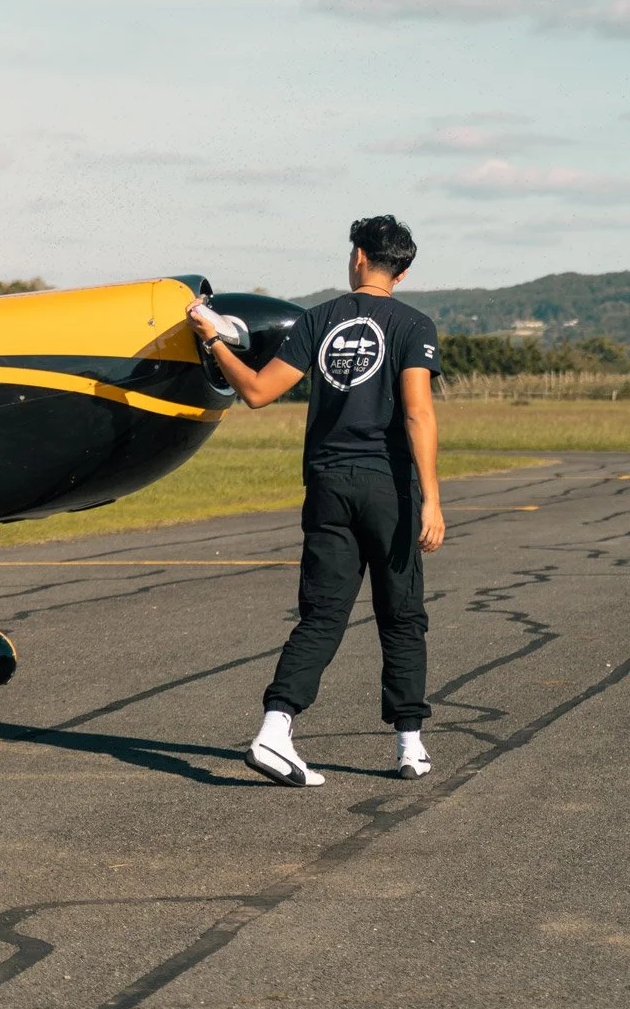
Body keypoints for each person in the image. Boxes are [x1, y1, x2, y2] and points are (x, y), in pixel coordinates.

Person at [188, 214, 445, 788]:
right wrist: (431, 498)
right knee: (401, 614)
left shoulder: (317, 320)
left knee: (324, 614)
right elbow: (417, 412)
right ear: (401, 271)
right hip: (388, 487)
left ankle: (275, 730)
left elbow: (256, 391)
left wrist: (212, 339)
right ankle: (410, 744)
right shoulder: (413, 324)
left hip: (328, 483)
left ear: (358, 257)